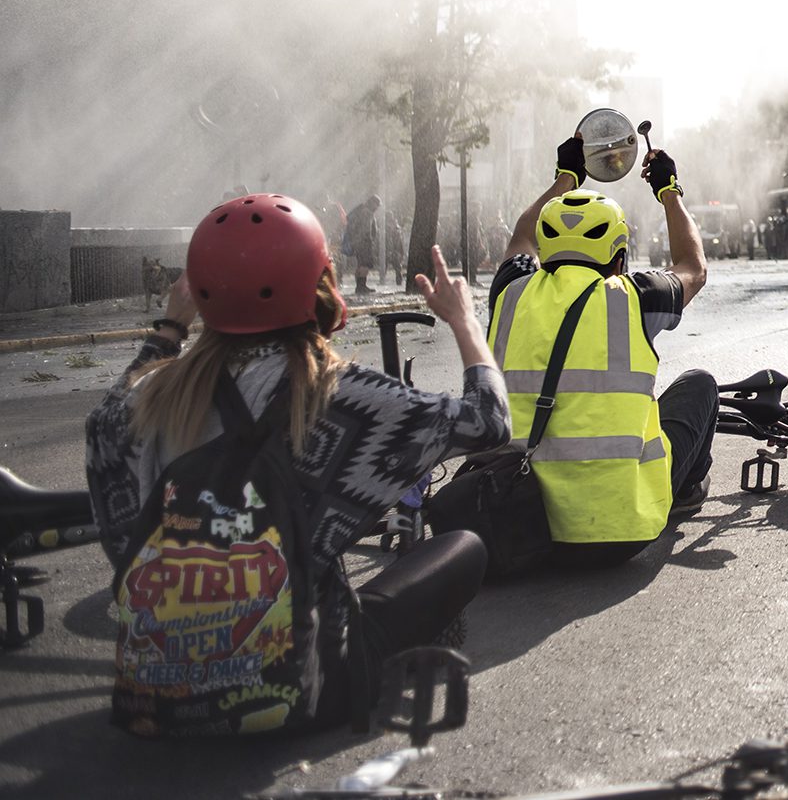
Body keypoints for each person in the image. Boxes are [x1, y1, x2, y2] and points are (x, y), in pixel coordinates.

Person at [83, 196, 510, 732]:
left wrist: (169, 330)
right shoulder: (339, 394)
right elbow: (488, 421)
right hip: (304, 693)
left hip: (153, 695)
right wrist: (465, 321)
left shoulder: (151, 399)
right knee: (462, 547)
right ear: (320, 285)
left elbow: (103, 426)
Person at [484, 135, 714, 566]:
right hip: (618, 533)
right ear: (619, 257)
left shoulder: (510, 293)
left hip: (518, 516)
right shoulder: (635, 295)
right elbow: (693, 269)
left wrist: (565, 180)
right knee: (700, 385)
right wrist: (669, 192)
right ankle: (683, 494)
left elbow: (519, 238)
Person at [344, 193, 380, 295]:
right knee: (365, 264)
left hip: (358, 243)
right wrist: (369, 240)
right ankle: (361, 286)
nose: (377, 208)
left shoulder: (361, 210)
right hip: (364, 243)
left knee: (360, 264)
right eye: (376, 205)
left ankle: (359, 286)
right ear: (373, 203)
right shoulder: (367, 213)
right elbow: (366, 229)